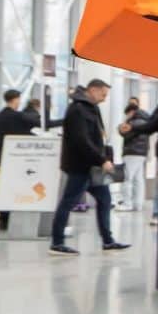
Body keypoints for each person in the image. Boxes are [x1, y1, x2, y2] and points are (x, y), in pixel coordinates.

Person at [49, 78, 126, 255]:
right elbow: (81, 140)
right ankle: (57, 243)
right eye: (103, 94)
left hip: (93, 168)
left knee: (105, 200)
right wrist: (101, 160)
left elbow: (97, 137)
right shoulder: (77, 109)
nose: (105, 98)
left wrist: (104, 157)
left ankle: (108, 241)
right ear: (92, 90)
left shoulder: (92, 108)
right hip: (80, 166)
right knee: (68, 202)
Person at [0, 88, 40, 230]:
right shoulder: (19, 117)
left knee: (5, 189)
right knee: (21, 188)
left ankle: (3, 219)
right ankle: (19, 217)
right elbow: (36, 127)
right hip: (19, 160)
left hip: (3, 159)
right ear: (15, 99)